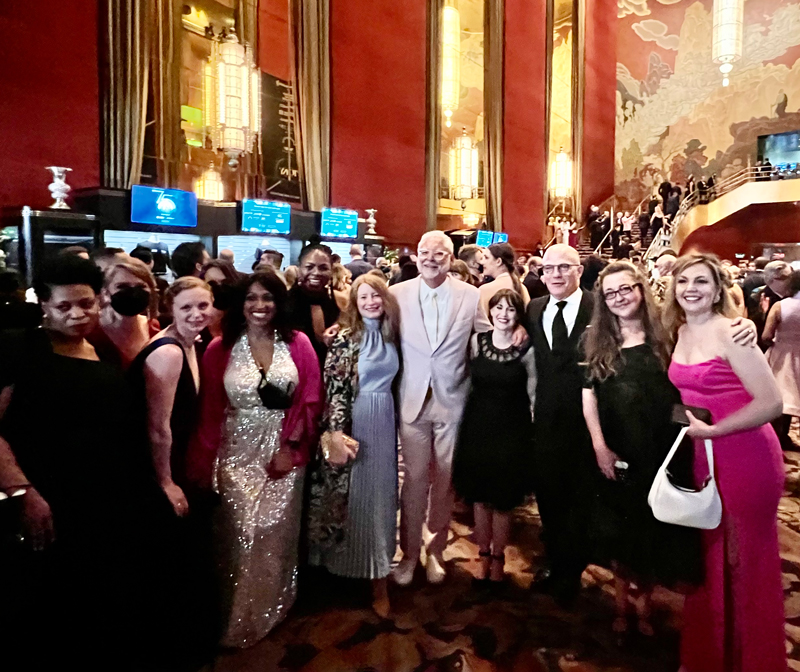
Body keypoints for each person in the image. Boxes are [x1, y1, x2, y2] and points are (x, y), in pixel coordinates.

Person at [0, 256, 162, 668]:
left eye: (86, 304)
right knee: (48, 602)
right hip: (46, 496)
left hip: (105, 501)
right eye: (64, 307)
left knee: (101, 600)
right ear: (44, 306)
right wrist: (22, 490)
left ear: (100, 299)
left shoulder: (102, 348)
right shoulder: (19, 347)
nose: (77, 314)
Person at [187, 269, 323, 647]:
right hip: (235, 450)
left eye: (268, 298)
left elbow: (311, 396)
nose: (260, 306)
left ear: (279, 303)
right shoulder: (221, 347)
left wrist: (291, 448)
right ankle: (234, 617)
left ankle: (272, 608)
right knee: (238, 533)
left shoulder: (297, 343)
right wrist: (205, 460)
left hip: (283, 447)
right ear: (241, 304)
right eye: (252, 298)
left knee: (274, 533)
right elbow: (211, 407)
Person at [665, 253, 785, 672]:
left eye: (701, 281)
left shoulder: (733, 333)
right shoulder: (678, 330)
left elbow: (773, 402)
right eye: (683, 282)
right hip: (704, 454)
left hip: (746, 453)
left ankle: (753, 661)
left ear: (718, 290)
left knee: (744, 560)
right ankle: (710, 657)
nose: (691, 289)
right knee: (712, 559)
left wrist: (717, 431)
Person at [581, 261, 701, 640]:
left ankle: (645, 604)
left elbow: (686, 388)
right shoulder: (596, 338)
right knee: (620, 529)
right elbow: (589, 398)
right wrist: (599, 446)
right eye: (611, 293)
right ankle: (620, 603)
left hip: (661, 449)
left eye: (625, 289)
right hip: (617, 447)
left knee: (652, 529)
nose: (619, 298)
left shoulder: (667, 334)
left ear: (640, 288)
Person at [390, 231, 493, 586]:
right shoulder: (398, 294)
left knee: (445, 481)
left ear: (450, 259)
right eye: (424, 252)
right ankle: (408, 554)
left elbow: (484, 335)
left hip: (453, 399)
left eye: (439, 253)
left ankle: (435, 551)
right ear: (416, 256)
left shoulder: (470, 295)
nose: (431, 258)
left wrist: (514, 340)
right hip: (413, 401)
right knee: (414, 480)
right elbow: (380, 334)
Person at [310, 274, 400, 617]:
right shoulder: (345, 339)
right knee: (350, 498)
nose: (371, 302)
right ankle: (345, 570)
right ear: (355, 303)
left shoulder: (395, 334)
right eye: (364, 298)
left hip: (385, 421)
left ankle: (378, 573)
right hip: (355, 422)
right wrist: (335, 433)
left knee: (381, 500)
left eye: (376, 296)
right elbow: (334, 390)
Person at [524, 244, 594, 607]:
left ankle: (573, 569)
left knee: (580, 496)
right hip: (547, 418)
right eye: (548, 268)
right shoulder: (534, 309)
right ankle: (555, 559)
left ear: (578, 271)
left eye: (563, 268)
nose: (554, 275)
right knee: (549, 494)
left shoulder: (597, 307)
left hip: (589, 418)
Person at [453, 289, 536, 585]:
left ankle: (499, 558)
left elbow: (533, 393)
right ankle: (483, 554)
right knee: (479, 496)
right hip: (478, 425)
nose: (503, 314)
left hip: (511, 427)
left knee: (502, 499)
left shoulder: (527, 348)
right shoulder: (478, 341)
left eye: (510, 309)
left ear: (518, 314)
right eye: (498, 308)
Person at [89, 259, 159, 369]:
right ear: (105, 292)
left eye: (140, 287)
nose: (133, 293)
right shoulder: (91, 330)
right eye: (122, 286)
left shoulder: (154, 328)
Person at [763, 269, 800, 451]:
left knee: (781, 396)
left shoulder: (780, 306)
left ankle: (776, 437)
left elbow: (766, 335)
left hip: (782, 354)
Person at [287, 244, 340, 368]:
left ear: (331, 271)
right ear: (299, 269)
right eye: (309, 267)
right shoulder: (284, 303)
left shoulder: (339, 302)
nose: (316, 273)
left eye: (323, 268)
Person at [479, 242, 530, 316]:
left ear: (498, 261)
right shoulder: (522, 288)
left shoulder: (485, 290)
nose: (482, 262)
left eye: (486, 258)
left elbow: (482, 325)